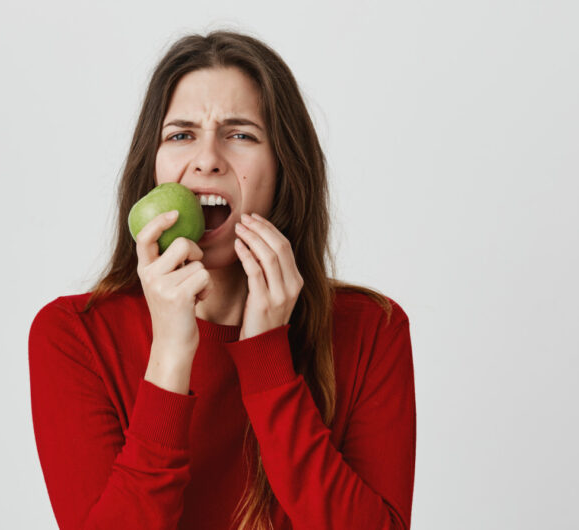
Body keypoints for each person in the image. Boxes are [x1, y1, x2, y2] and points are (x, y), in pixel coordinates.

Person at [28, 30, 416, 530]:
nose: (207, 158)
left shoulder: (371, 331)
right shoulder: (73, 335)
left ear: (283, 171)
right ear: (154, 169)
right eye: (180, 134)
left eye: (240, 134)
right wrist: (169, 354)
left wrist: (267, 361)